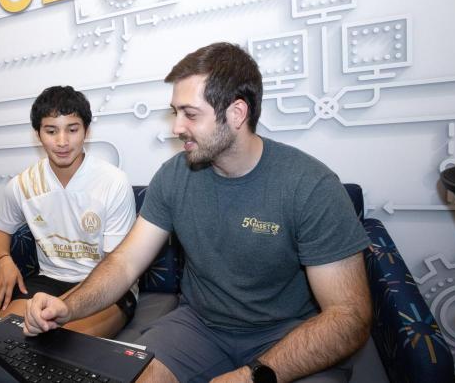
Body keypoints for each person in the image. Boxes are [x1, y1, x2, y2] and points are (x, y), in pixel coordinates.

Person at [22, 43, 372, 383]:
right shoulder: (175, 175)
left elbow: (349, 316)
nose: (176, 127)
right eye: (175, 112)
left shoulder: (310, 185)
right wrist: (68, 307)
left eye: (190, 114)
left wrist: (253, 375)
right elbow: (124, 263)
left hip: (288, 334)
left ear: (236, 113)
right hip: (199, 327)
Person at [0, 85, 137, 338]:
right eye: (51, 131)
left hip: (108, 286)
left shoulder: (113, 182)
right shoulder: (23, 185)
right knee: (2, 338)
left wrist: (59, 309)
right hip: (49, 281)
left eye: (72, 129)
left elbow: (115, 266)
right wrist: (4, 260)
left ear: (86, 131)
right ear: (38, 134)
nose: (62, 142)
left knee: (64, 344)